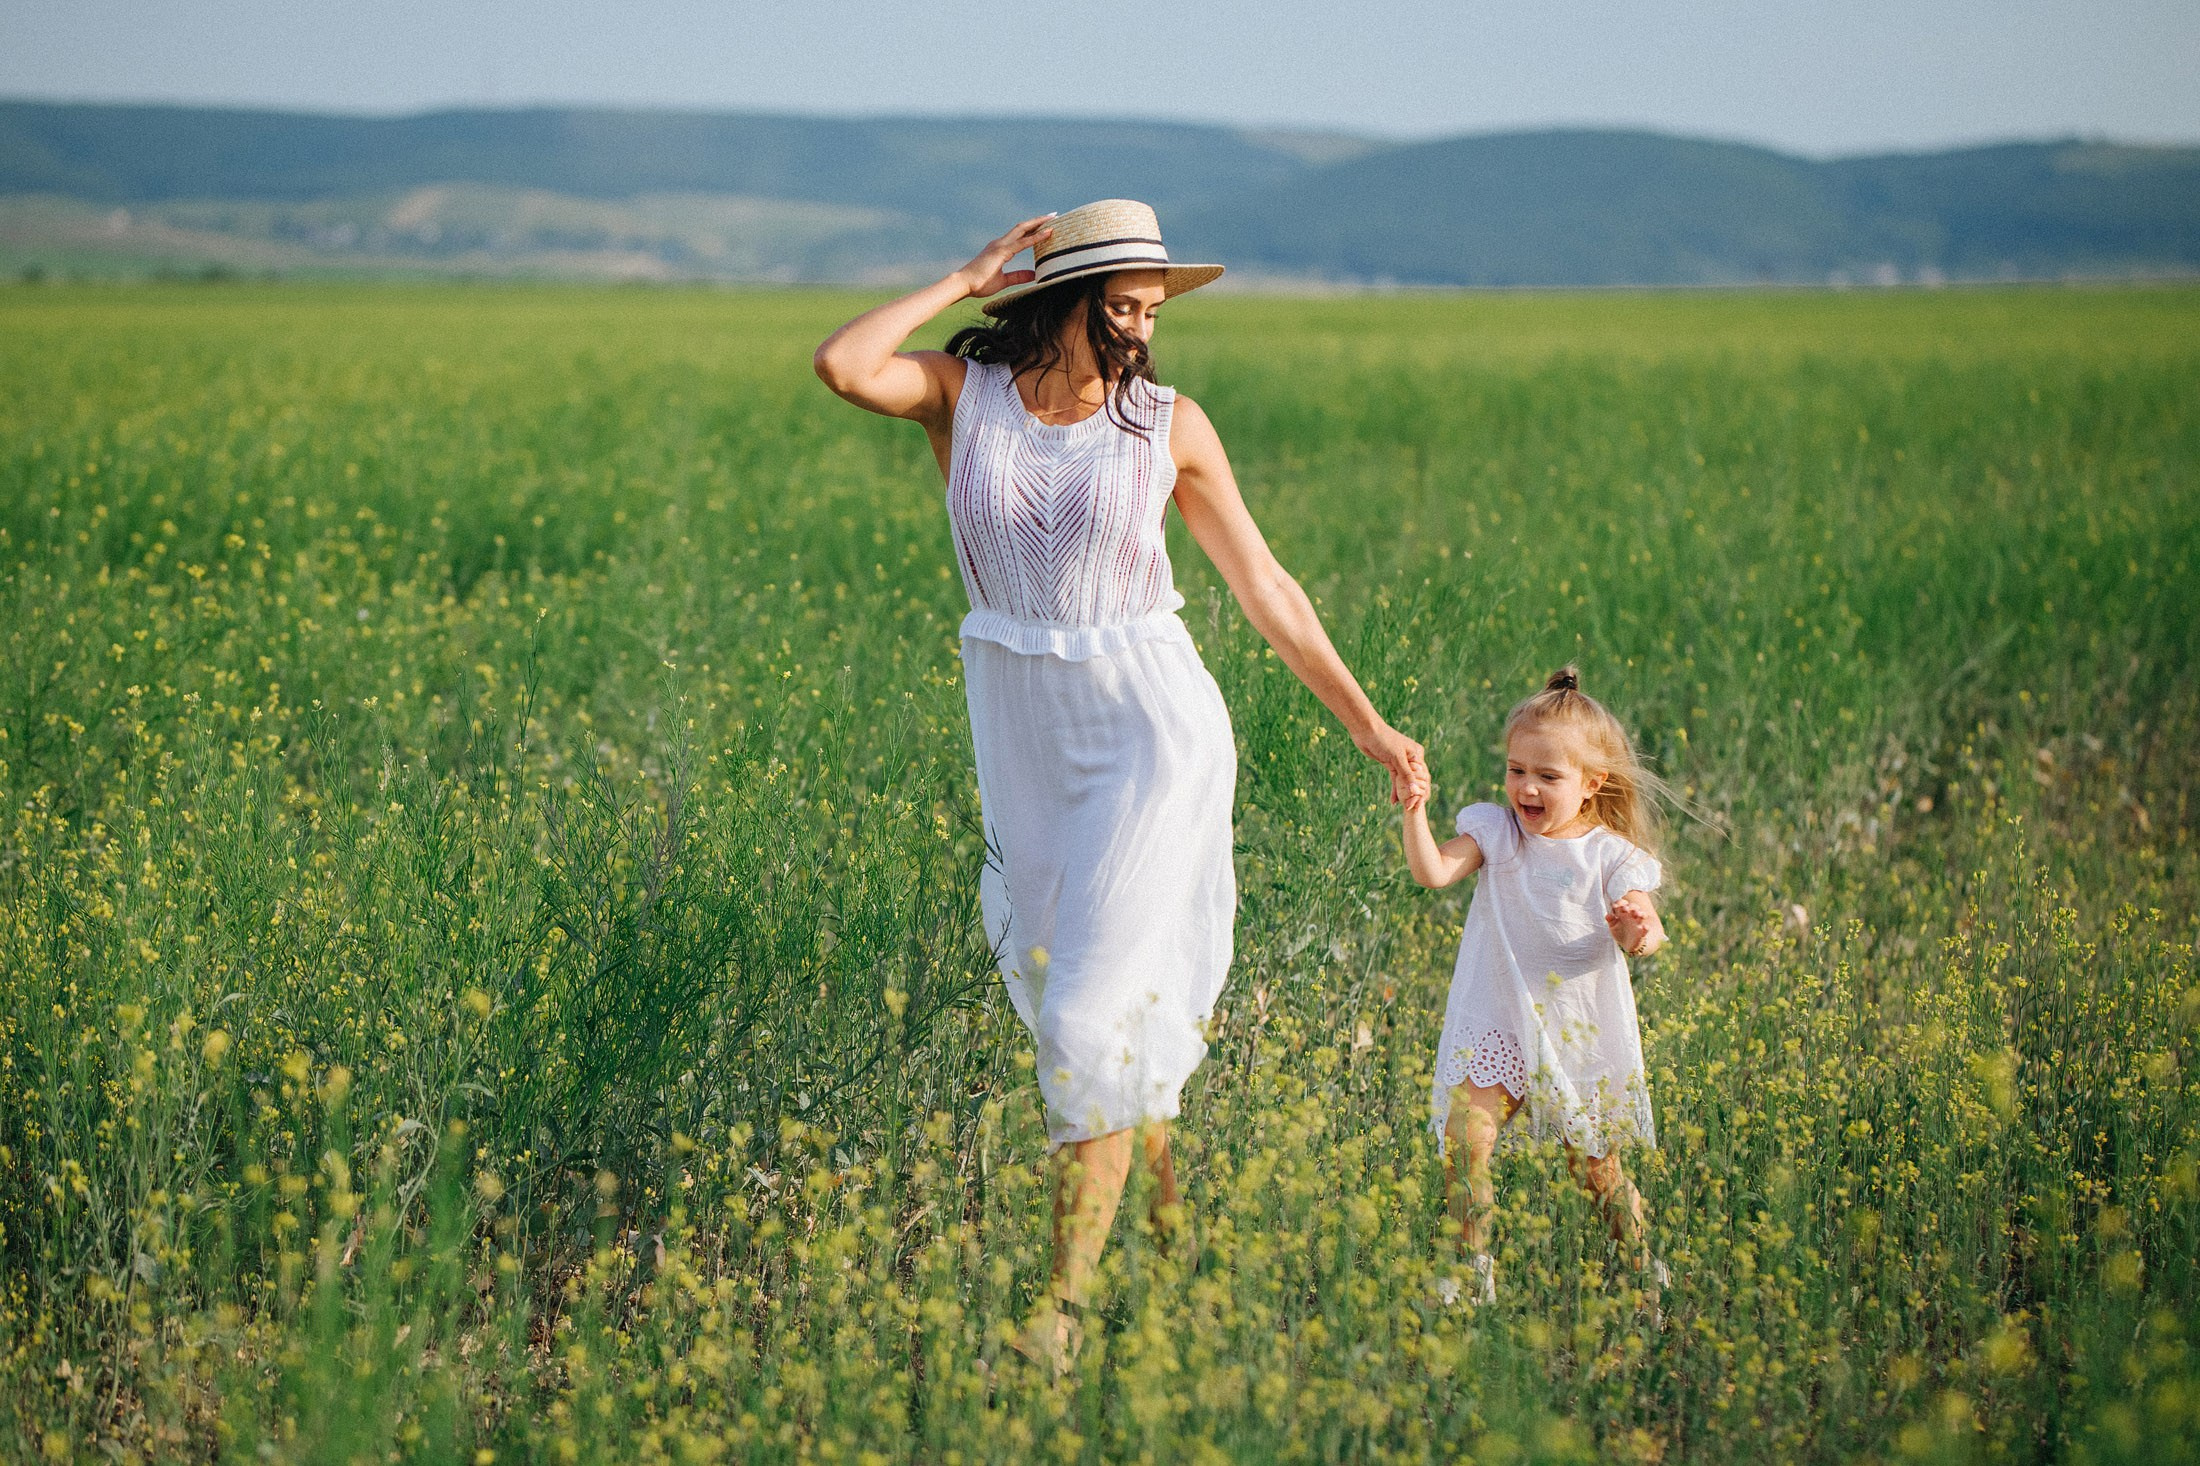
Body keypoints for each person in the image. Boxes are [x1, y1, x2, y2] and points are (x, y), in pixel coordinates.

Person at [813, 199, 1427, 1366]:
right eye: (1125, 305)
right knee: (1076, 1006)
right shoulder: (962, 396)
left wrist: (1370, 725)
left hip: (1153, 729)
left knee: (1091, 1014)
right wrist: (960, 275)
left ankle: (1060, 1314)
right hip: (1025, 733)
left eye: (1153, 308)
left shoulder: (1167, 425)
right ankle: (1171, 1237)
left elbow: (1264, 585)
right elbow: (842, 364)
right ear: (1066, 299)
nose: (1145, 329)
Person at [1400, 666, 1670, 1307]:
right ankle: (1472, 1276)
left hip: (1575, 1028)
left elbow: (1648, 935)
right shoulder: (1497, 832)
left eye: (1548, 776)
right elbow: (1433, 872)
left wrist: (1635, 931)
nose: (1526, 787)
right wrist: (1414, 811)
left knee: (1596, 1170)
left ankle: (1640, 1271)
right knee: (1466, 1142)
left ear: (1590, 783)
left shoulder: (1608, 856)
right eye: (1517, 769)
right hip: (1499, 1016)